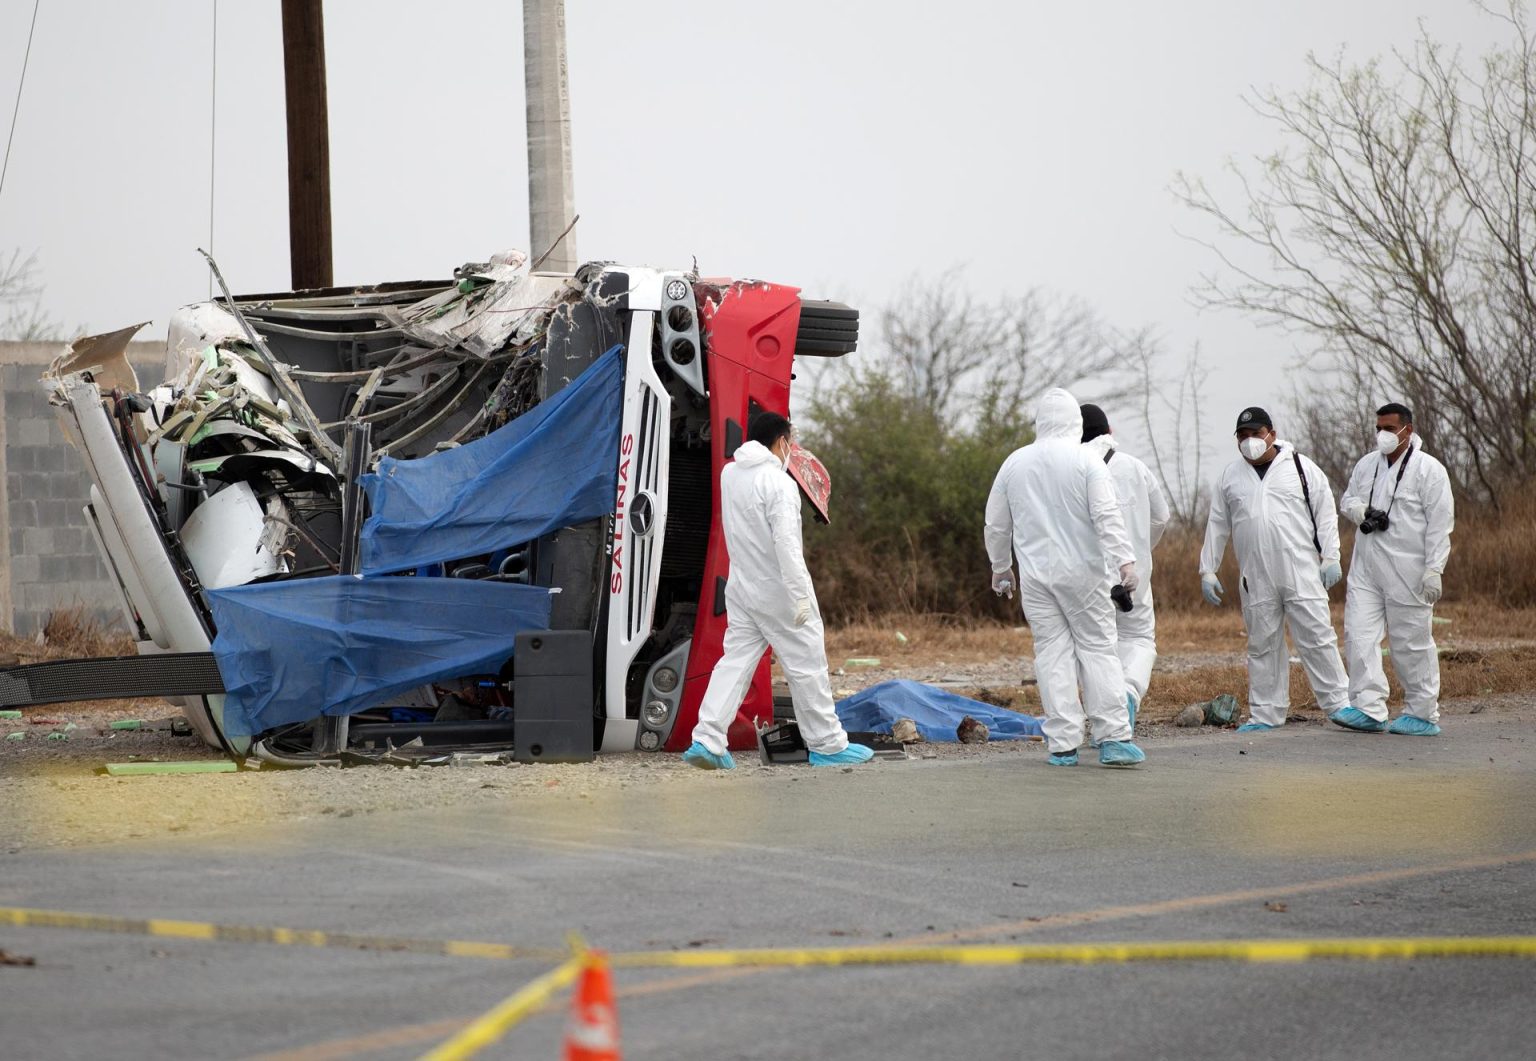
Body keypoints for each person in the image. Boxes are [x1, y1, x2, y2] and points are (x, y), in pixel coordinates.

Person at [682, 411, 873, 769]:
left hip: (741, 586)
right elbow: (787, 546)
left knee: (734, 663)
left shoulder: (730, 474)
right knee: (807, 665)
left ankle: (707, 740)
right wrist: (801, 597)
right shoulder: (779, 484)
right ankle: (828, 745)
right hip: (778, 589)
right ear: (783, 442)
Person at [985, 388, 1145, 768]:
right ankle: (1113, 738)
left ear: (1040, 422)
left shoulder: (1014, 463)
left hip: (1037, 579)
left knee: (1052, 655)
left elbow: (995, 523)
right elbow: (1107, 516)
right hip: (1084, 575)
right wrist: (1125, 562)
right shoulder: (1088, 461)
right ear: (1074, 422)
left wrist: (1000, 567)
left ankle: (1062, 744)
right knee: (1097, 650)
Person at [1199, 407, 1351, 731]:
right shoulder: (1230, 476)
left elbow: (1325, 513)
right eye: (1242, 436)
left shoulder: (1300, 468)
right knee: (1262, 643)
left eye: (1255, 434)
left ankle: (1340, 705)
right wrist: (1207, 569)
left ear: (1272, 433)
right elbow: (1217, 524)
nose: (1249, 441)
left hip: (1301, 568)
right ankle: (1267, 713)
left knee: (1317, 637)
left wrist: (1331, 556)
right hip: (1255, 575)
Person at [1332, 403, 1455, 736]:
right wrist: (1359, 510)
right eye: (1379, 429)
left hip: (1408, 570)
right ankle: (1368, 708)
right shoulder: (1367, 465)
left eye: (1390, 428)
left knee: (1410, 643)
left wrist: (1434, 569)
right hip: (1367, 569)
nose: (1383, 435)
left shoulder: (1430, 471)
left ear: (1408, 430)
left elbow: (1440, 524)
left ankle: (1422, 712)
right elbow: (1347, 499)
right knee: (1358, 637)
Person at [1080, 403, 1170, 727]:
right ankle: (1129, 695)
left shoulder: (1074, 471)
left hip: (1088, 579)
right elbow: (1161, 517)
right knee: (1140, 639)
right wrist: (1141, 551)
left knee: (1096, 648)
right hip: (1134, 575)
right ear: (1110, 432)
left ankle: (1103, 717)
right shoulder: (1136, 468)